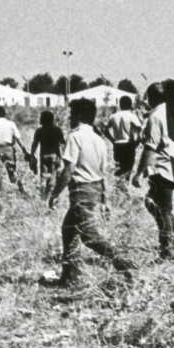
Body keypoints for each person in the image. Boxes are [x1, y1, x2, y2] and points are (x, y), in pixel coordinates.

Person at [47, 98, 136, 287]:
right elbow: (103, 174)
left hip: (81, 191)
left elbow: (69, 169)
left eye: (71, 114)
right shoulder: (99, 140)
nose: (69, 117)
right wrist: (105, 199)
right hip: (94, 189)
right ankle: (70, 277)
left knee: (89, 236)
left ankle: (124, 264)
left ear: (79, 116)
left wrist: (55, 193)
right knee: (68, 231)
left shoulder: (75, 136)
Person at [132, 82, 174, 259]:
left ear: (151, 97)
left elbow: (150, 148)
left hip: (162, 168)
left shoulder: (155, 117)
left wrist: (139, 173)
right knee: (155, 204)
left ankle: (167, 249)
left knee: (161, 209)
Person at [0, 106, 30, 193]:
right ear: (4, 114)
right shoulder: (11, 124)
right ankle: (20, 189)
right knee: (12, 171)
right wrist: (24, 151)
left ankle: (0, 190)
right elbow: (18, 139)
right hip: (8, 149)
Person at [101, 96, 142, 181]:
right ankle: (124, 189)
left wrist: (112, 140)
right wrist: (137, 141)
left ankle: (118, 188)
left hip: (117, 144)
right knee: (128, 169)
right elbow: (139, 129)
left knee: (119, 168)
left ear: (120, 104)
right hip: (128, 144)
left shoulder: (113, 116)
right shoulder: (131, 116)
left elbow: (104, 129)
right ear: (130, 105)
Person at [32, 110, 66, 198]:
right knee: (52, 175)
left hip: (44, 155)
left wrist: (32, 154)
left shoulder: (39, 131)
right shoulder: (57, 129)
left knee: (43, 176)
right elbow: (63, 143)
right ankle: (50, 194)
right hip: (55, 156)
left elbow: (35, 144)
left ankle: (43, 195)